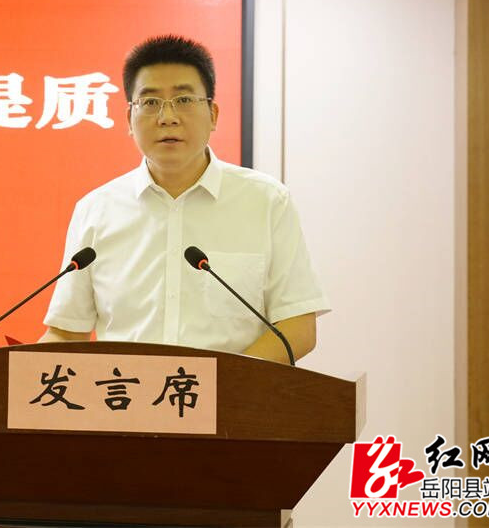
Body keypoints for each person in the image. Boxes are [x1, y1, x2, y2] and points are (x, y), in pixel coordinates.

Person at [38, 35, 329, 364]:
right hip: (122, 395)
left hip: (233, 396)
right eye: (150, 102)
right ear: (129, 119)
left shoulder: (266, 201)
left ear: (213, 114)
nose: (167, 117)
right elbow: (66, 332)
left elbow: (297, 327)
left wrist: (221, 386)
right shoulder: (96, 210)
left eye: (184, 100)